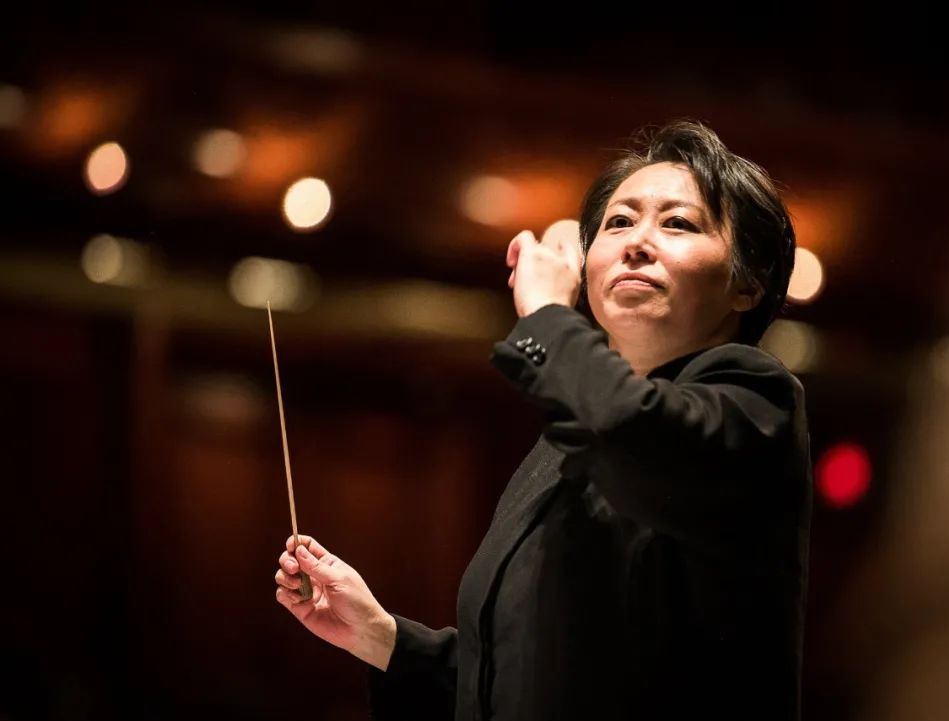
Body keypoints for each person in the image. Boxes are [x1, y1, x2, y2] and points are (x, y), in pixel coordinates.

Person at [274, 120, 812, 721]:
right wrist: (381, 637)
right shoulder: (563, 445)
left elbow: (635, 432)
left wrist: (547, 317)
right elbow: (533, 679)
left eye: (678, 223)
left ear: (747, 283)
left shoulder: (753, 398)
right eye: (618, 222)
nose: (636, 243)